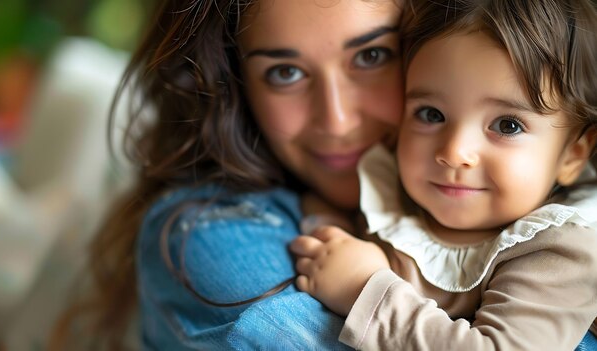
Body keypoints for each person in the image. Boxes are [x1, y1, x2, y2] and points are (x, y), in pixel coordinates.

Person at [49, 0, 405, 350]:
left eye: (371, 56)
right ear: (234, 85)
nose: (336, 120)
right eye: (286, 72)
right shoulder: (208, 234)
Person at [291, 0, 597, 350]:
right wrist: (326, 228)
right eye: (431, 114)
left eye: (507, 125)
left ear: (573, 155)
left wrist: (363, 288)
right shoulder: (389, 190)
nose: (453, 152)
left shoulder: (561, 252)